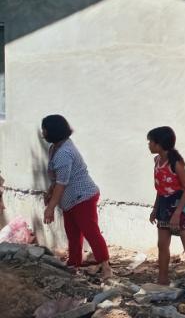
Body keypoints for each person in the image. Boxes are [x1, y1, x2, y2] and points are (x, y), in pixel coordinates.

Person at [41, 114, 112, 278]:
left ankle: (106, 267)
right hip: (70, 199)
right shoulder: (55, 148)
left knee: (91, 232)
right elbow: (57, 179)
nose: (42, 133)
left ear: (53, 131)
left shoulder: (64, 153)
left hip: (83, 197)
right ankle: (74, 264)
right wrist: (50, 193)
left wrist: (50, 208)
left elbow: (62, 183)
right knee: (72, 233)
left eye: (44, 129)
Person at [147, 126, 185, 303]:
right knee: (162, 245)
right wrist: (155, 208)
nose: (149, 145)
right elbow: (160, 189)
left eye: (151, 141)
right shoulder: (157, 160)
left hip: (180, 206)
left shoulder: (176, 163)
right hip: (164, 206)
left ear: (159, 144)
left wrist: (177, 213)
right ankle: (163, 281)